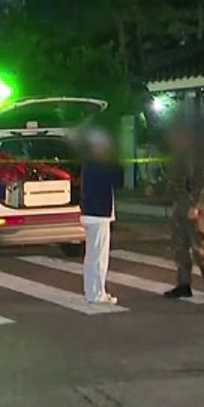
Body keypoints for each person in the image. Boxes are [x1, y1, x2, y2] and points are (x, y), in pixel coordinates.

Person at [161, 119, 204, 300]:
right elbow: (175, 181)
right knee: (180, 247)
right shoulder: (178, 154)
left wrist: (195, 205)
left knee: (199, 248)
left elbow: (202, 183)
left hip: (194, 207)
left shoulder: (195, 156)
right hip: (180, 205)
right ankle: (183, 284)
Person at [79, 128, 120, 305]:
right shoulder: (101, 163)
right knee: (99, 257)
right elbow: (118, 179)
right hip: (99, 214)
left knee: (92, 256)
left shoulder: (89, 162)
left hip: (91, 212)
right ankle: (96, 294)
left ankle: (93, 291)